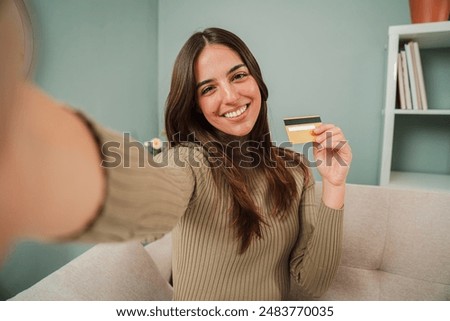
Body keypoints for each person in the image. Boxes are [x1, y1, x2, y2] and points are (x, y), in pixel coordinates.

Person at [0, 0, 352, 300]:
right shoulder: (190, 160)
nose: (230, 97)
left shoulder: (295, 168)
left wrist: (335, 186)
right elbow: (152, 196)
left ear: (257, 81)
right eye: (208, 88)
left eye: (238, 76)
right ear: (195, 105)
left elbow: (310, 286)